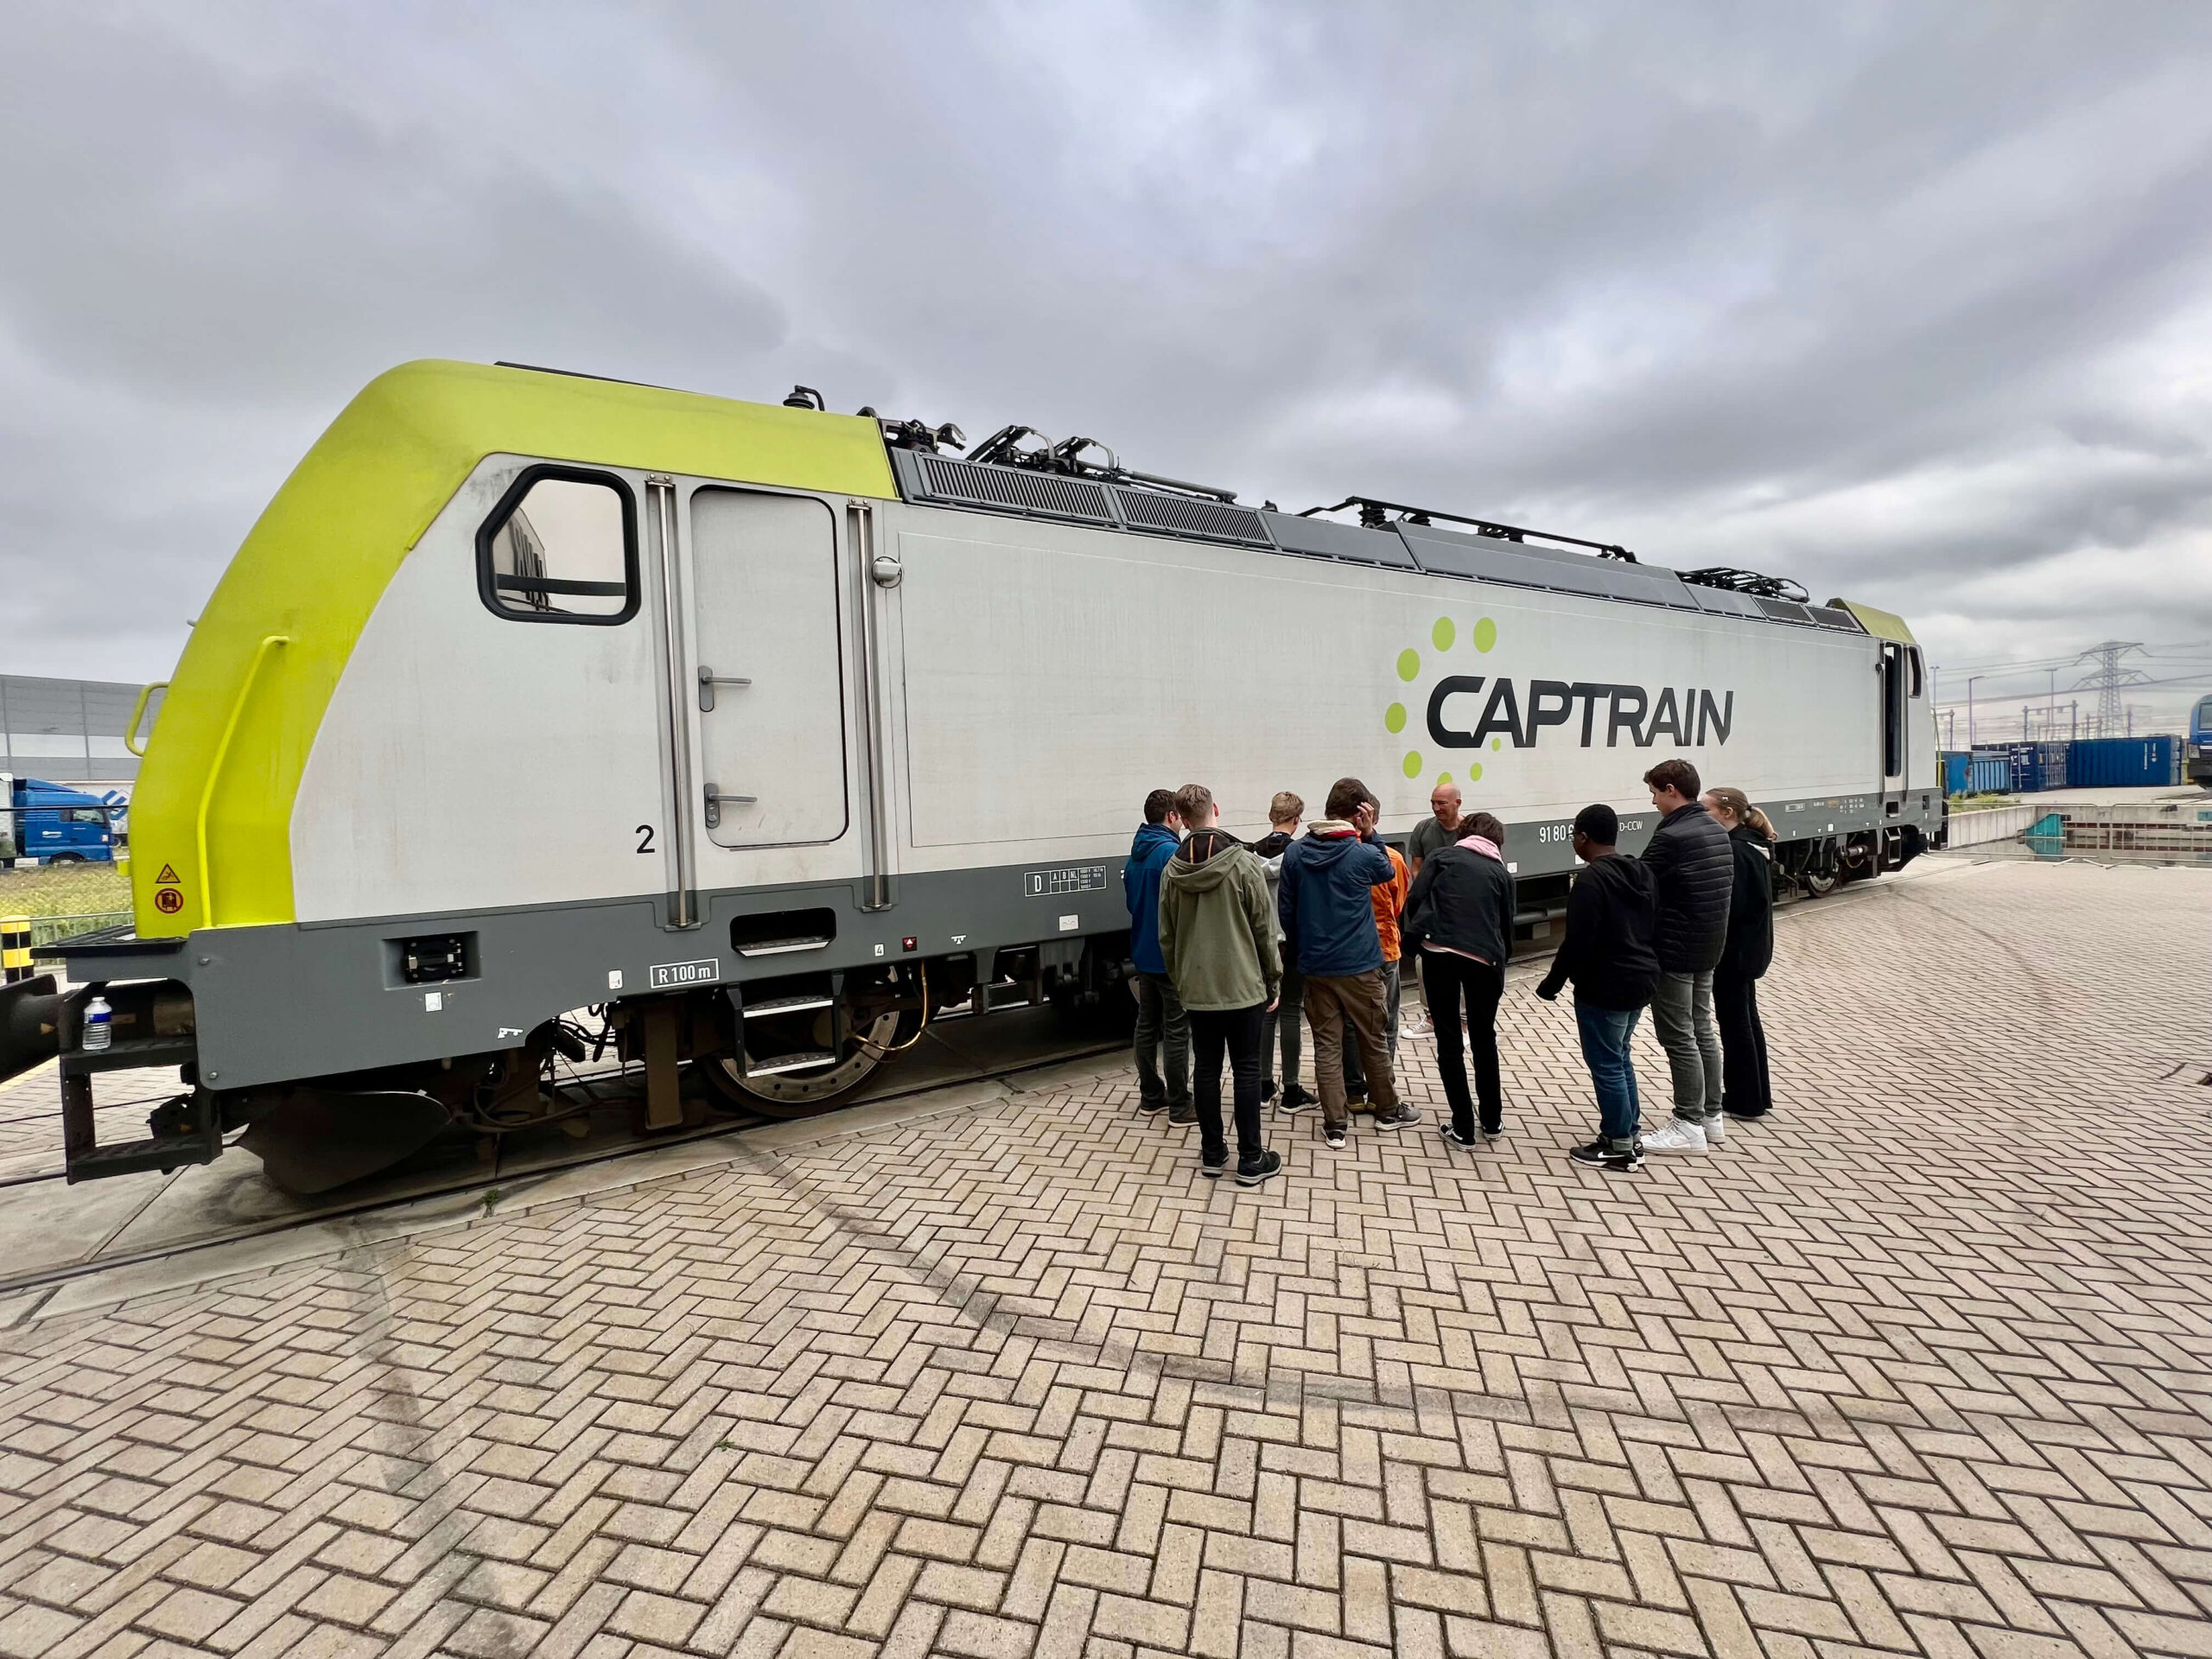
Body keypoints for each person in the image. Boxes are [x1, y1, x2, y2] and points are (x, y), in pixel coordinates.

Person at [1279, 778, 1421, 1148]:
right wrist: (1371, 832)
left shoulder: (1295, 855)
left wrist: (1304, 949)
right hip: (1360, 965)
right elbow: (1387, 871)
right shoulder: (1361, 853)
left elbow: (1287, 911)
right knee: (1373, 1039)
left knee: (1327, 1044)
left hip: (1316, 966)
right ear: (1360, 813)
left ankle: (1335, 1123)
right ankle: (1388, 1111)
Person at [1158, 784, 1285, 1186]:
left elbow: (1167, 936)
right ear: (1215, 808)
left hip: (1197, 988)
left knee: (1207, 1068)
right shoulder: (1243, 864)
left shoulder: (1171, 871)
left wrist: (1182, 980)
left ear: (1181, 817)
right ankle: (1251, 1159)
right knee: (1247, 1069)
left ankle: (1212, 1153)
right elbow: (1264, 928)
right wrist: (1273, 977)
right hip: (1244, 984)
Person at [1535, 804, 1660, 1173]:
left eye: (1575, 834)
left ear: (1583, 837)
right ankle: (1627, 1134)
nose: (1574, 840)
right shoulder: (1642, 872)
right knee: (1620, 1056)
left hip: (1605, 985)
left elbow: (1577, 942)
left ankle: (1620, 1145)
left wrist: (1551, 984)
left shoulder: (1591, 881)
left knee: (1606, 1062)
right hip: (1641, 979)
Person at [1402, 810, 1515, 1147]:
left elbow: (1416, 897)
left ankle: (1463, 1128)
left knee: (1449, 1039)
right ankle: (1492, 1121)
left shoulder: (1442, 857)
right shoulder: (1500, 873)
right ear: (1497, 842)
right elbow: (1506, 924)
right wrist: (1499, 962)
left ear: (1464, 833)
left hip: (1440, 954)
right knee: (1484, 1038)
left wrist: (1415, 939)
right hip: (1485, 960)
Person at [1637, 759, 1732, 1152]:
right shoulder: (1715, 828)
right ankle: (1712, 1117)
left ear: (1672, 790)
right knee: (1702, 1029)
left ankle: (1687, 1123)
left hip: (1674, 949)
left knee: (1678, 1036)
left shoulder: (1673, 834)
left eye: (1656, 794)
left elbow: (1640, 882)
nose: (1655, 802)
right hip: (1708, 945)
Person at [1703, 786, 1776, 1122]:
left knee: (1735, 1024)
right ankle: (1756, 1093)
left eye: (1707, 810)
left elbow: (1734, 908)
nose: (1703, 815)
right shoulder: (1752, 846)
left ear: (1727, 813)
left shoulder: (1736, 851)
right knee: (1746, 1020)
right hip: (1749, 951)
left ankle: (1745, 1099)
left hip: (1734, 954)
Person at [1124, 788, 1190, 1122]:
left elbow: (1132, 904)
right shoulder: (1171, 853)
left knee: (1146, 1025)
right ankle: (1180, 1103)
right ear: (1172, 816)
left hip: (1143, 952)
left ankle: (1151, 1095)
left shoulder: (1136, 853)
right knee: (1177, 1030)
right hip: (1170, 956)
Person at [1249, 792, 1316, 1113]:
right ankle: (1291, 1089)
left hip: (1263, 943)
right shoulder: (1300, 854)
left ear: (1270, 816)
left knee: (1266, 1012)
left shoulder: (1250, 854)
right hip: (1291, 942)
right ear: (1296, 820)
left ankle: (1263, 1087)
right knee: (1290, 1010)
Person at [1340, 813, 1410, 1110]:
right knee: (1387, 1021)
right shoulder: (1392, 859)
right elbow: (1398, 905)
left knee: (1351, 1022)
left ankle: (1354, 1091)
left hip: (1353, 951)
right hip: (1386, 948)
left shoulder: (1342, 857)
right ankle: (1383, 1087)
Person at [1400, 782, 1463, 1038]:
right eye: (1433, 803)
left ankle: (1465, 1021)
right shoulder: (1424, 829)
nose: (1436, 808)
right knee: (1422, 961)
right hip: (1432, 908)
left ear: (1457, 803)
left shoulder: (1470, 830)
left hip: (1461, 908)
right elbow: (1416, 865)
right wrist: (1426, 886)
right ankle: (1431, 1018)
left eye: (1442, 803)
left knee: (1461, 960)